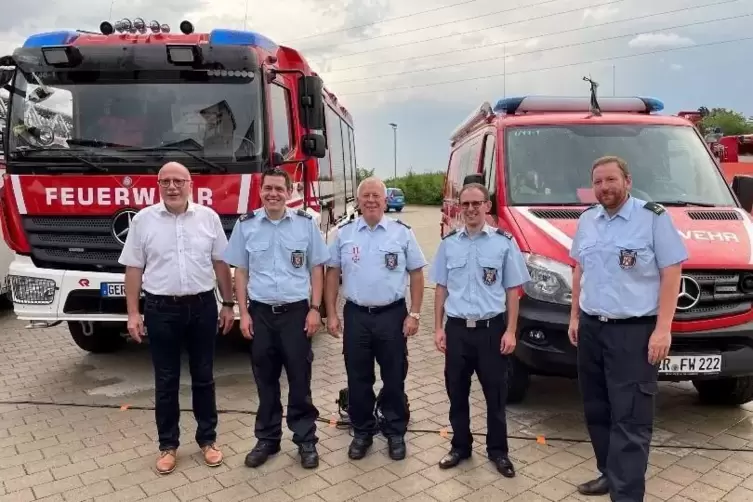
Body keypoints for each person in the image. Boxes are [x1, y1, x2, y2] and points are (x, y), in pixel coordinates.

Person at [568, 155, 687, 501]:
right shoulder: (588, 220)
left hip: (633, 332)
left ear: (628, 181)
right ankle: (608, 472)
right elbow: (579, 270)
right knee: (597, 407)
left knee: (631, 416)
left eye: (610, 180)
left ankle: (627, 493)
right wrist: (575, 316)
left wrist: (663, 328)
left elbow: (672, 272)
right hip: (592, 328)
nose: (604, 187)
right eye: (598, 182)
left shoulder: (652, 218)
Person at [119, 161, 235, 475]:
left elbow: (221, 264)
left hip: (202, 307)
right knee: (166, 381)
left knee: (204, 376)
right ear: (158, 185)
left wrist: (228, 303)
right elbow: (133, 269)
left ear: (190, 184)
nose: (172, 187)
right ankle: (168, 446)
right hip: (160, 310)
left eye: (178, 181)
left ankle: (208, 440)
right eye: (165, 181)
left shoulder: (208, 218)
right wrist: (133, 313)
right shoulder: (143, 221)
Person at [222, 167, 330, 469]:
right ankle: (267, 440)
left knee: (299, 379)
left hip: (296, 313)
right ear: (260, 191)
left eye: (278, 189)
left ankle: (306, 440)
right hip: (261, 314)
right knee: (265, 380)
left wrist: (314, 309)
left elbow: (317, 269)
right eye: (267, 188)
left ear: (289, 191)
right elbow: (240, 272)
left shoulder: (305, 224)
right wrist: (244, 313)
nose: (273, 194)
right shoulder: (247, 225)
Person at [429, 182, 530, 477]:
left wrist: (511, 330)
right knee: (456, 392)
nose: (471, 209)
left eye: (477, 203)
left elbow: (513, 290)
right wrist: (438, 328)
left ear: (487, 206)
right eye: (466, 204)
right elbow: (440, 289)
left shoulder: (503, 242)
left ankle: (498, 451)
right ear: (460, 208)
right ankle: (460, 446)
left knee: (495, 395)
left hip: (491, 330)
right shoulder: (449, 243)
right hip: (458, 330)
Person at [324, 177, 427, 461]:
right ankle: (362, 432)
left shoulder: (402, 233)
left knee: (394, 377)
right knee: (358, 378)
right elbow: (332, 273)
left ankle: (395, 432)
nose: (370, 200)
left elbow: (417, 274)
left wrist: (415, 313)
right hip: (356, 315)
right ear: (358, 201)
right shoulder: (343, 234)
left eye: (376, 196)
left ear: (384, 201)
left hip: (392, 315)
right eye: (365, 196)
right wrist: (331, 312)